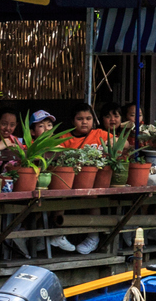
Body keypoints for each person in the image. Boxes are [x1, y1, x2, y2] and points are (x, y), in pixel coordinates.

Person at [49, 105, 114, 255]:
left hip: (94, 180)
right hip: (69, 180)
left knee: (93, 196)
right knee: (61, 193)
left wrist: (112, 146)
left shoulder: (100, 134)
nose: (84, 122)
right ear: (72, 121)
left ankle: (93, 237)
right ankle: (58, 234)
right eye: (80, 119)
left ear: (93, 120)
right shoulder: (65, 138)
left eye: (88, 118)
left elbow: (123, 144)